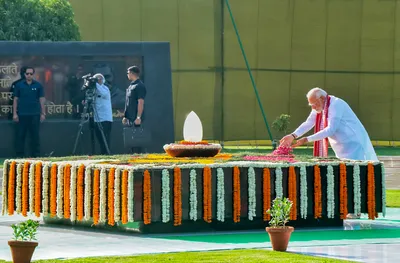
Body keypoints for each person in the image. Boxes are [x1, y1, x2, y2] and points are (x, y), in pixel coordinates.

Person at [280, 87, 378, 161]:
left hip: (354, 145)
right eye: (311, 105)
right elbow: (309, 122)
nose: (313, 108)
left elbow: (331, 130)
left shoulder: (336, 104)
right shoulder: (320, 105)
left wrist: (306, 139)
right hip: (341, 147)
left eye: (315, 104)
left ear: (322, 98)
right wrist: (293, 135)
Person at [13, 67, 46, 158]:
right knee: (20, 136)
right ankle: (20, 155)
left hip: (34, 114)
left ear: (33, 74)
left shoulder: (38, 85)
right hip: (22, 114)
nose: (29, 75)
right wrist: (15, 113)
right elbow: (15, 99)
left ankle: (36, 155)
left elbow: (42, 99)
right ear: (24, 74)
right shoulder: (19, 85)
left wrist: (43, 113)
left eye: (31, 74)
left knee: (35, 136)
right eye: (27, 73)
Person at [122, 66, 146, 153]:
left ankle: (138, 156)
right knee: (130, 141)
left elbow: (140, 102)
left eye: (128, 73)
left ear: (132, 73)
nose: (127, 75)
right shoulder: (131, 86)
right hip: (130, 117)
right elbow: (128, 102)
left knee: (137, 140)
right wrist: (125, 116)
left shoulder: (139, 86)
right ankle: (133, 155)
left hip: (136, 117)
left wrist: (138, 117)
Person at [92, 73, 113, 155]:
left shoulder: (105, 88)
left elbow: (103, 93)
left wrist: (95, 83)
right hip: (97, 117)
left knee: (105, 137)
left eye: (99, 79)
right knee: (99, 137)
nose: (98, 81)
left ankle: (106, 153)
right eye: (96, 79)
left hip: (105, 118)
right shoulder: (94, 89)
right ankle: (102, 152)